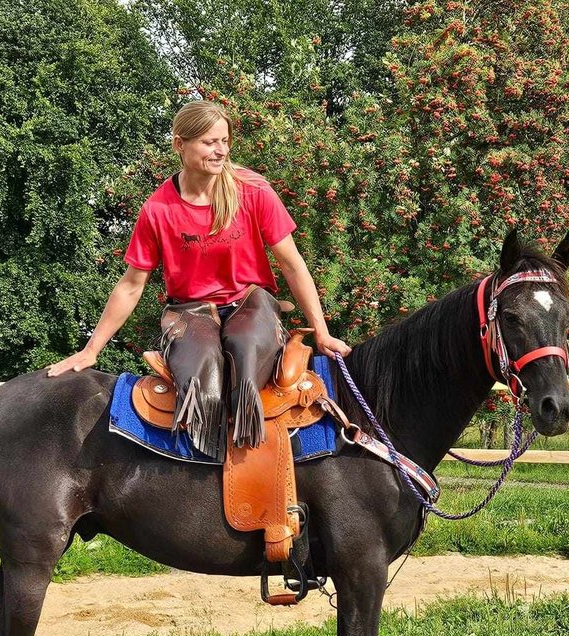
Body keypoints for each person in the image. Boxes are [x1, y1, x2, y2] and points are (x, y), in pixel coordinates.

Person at [47, 100, 350, 460]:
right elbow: (131, 285)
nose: (220, 150)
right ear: (180, 144)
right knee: (202, 385)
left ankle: (274, 469)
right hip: (190, 311)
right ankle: (197, 487)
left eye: (224, 141)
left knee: (248, 360)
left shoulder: (252, 191)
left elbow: (292, 264)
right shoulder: (158, 209)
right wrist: (91, 349)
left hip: (250, 301)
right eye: (209, 142)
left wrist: (322, 330)